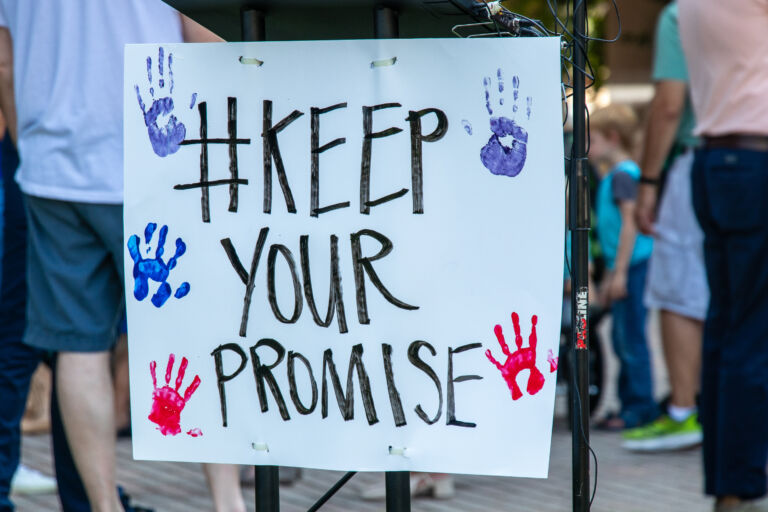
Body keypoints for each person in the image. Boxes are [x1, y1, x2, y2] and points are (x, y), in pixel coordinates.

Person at [0, 3, 244, 511]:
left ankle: (102, 506)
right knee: (196, 335)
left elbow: (4, 60)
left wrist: (31, 146)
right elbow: (210, 36)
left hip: (53, 161)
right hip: (160, 154)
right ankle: (227, 502)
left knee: (78, 346)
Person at [678, 2, 768, 510]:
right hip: (755, 160)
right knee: (751, 334)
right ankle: (740, 486)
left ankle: (727, 487)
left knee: (727, 329)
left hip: (713, 159)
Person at [623, 1, 706, 452]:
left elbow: (670, 105)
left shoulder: (685, 13)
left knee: (678, 291)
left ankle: (683, 409)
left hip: (707, 158)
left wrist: (649, 181)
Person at [588, 104, 657, 431]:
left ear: (613, 138)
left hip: (634, 267)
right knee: (622, 337)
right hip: (627, 266)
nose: (586, 146)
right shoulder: (616, 175)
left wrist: (620, 273)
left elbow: (630, 224)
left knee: (630, 338)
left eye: (592, 139)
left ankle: (639, 407)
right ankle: (630, 403)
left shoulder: (621, 176)